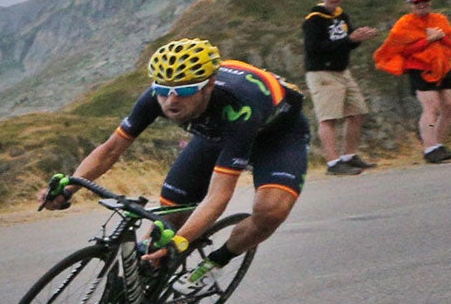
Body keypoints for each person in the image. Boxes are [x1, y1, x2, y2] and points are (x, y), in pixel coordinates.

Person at [40, 38, 309, 289]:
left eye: (185, 90)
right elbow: (111, 149)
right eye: (163, 90)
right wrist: (69, 187)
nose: (171, 100)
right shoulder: (160, 95)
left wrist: (181, 243)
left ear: (209, 85)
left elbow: (219, 195)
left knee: (270, 211)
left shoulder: (241, 107)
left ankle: (215, 262)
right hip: (215, 133)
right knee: (170, 217)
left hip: (277, 137)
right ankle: (134, 287)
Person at [374, 0, 451, 163]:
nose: (422, 5)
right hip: (420, 68)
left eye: (425, 1)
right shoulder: (404, 25)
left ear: (430, 1)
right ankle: (430, 148)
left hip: (443, 66)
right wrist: (428, 40)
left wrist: (440, 37)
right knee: (432, 108)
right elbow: (402, 50)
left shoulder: (440, 20)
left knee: (449, 106)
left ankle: (439, 145)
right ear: (411, 5)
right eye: (417, 2)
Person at [302, 0, 378, 175]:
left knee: (357, 112)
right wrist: (349, 40)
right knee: (329, 118)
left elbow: (347, 42)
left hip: (342, 71)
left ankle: (349, 156)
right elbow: (314, 48)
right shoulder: (313, 19)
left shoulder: (341, 16)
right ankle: (333, 162)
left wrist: (357, 39)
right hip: (322, 72)